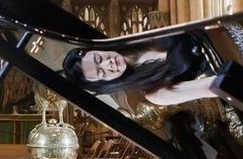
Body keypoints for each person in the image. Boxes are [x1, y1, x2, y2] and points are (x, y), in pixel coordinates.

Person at [61, 33, 218, 106]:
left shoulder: (136, 37)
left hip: (222, 30)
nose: (108, 64)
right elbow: (211, 87)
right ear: (104, 84)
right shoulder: (155, 94)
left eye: (98, 58)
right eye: (101, 73)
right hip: (226, 64)